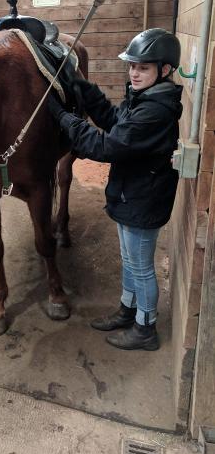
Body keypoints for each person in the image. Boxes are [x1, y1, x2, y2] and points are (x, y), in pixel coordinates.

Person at [48, 28, 182, 351]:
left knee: (141, 267)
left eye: (144, 67)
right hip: (132, 194)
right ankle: (128, 310)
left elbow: (106, 145)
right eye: (133, 66)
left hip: (143, 199)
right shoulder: (144, 98)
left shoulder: (153, 112)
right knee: (129, 259)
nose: (134, 73)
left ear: (163, 71)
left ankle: (145, 328)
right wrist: (83, 87)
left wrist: (64, 118)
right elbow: (112, 118)